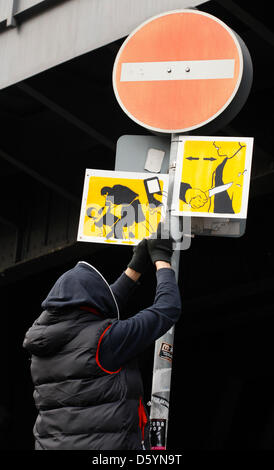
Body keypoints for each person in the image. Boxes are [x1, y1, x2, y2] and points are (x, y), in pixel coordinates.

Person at [23, 226, 182, 450]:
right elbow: (167, 309)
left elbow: (101, 305)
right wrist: (162, 262)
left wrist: (135, 267)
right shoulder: (105, 341)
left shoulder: (41, 344)